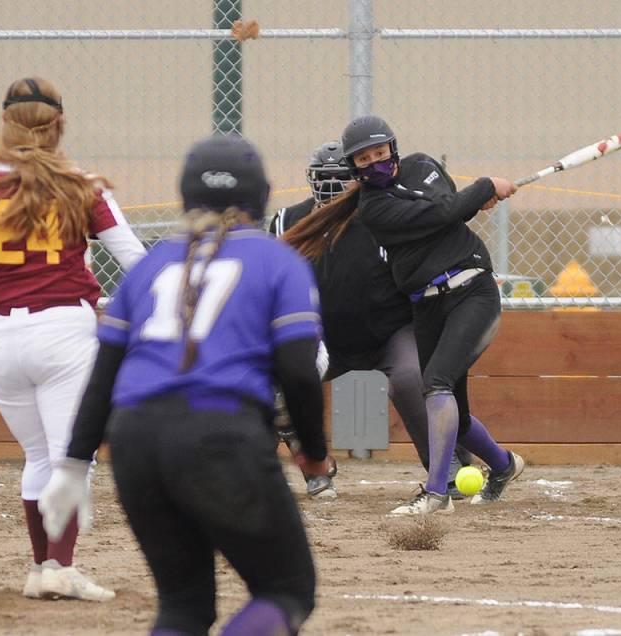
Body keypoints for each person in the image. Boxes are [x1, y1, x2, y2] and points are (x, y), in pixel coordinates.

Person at [38, 134, 330, 635]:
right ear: (259, 195)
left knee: (184, 606)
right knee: (286, 589)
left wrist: (72, 463)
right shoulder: (278, 260)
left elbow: (104, 374)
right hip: (220, 433)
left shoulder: (151, 265)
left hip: (134, 441)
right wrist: (314, 451)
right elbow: (300, 370)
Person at [0, 77, 146, 600]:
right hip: (64, 327)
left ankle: (45, 568)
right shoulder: (83, 184)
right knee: (69, 455)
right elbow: (134, 259)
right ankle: (59, 567)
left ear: (5, 123)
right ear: (58, 125)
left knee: (38, 455)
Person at [317, 114, 526, 515]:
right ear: (354, 168)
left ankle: (437, 494)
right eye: (364, 159)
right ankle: (503, 466)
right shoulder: (373, 208)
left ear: (393, 149)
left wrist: (471, 202)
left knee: (437, 383)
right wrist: (485, 187)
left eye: (380, 153)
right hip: (427, 305)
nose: (376, 162)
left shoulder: (423, 165)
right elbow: (440, 215)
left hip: (471, 291)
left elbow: (447, 208)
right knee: (456, 415)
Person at [271, 140, 474, 499]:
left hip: (386, 334)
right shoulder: (287, 221)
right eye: (324, 177)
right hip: (320, 341)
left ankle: (450, 467)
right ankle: (313, 471)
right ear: (311, 180)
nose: (333, 186)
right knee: (274, 382)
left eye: (341, 178)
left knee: (414, 376)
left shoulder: (380, 214)